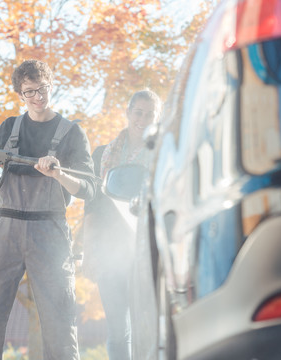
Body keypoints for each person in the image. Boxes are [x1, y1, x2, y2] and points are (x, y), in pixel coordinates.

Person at [0, 59, 96, 360]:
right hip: (6, 230)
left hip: (49, 232)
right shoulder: (9, 128)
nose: (38, 97)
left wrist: (59, 174)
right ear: (20, 94)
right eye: (30, 92)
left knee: (59, 322)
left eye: (43, 89)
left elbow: (89, 189)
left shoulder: (72, 133)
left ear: (51, 85)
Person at [83, 89, 162, 360]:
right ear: (128, 114)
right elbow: (91, 206)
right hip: (108, 251)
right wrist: (88, 250)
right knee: (118, 331)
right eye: (138, 112)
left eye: (150, 114)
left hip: (145, 250)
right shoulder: (103, 155)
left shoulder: (161, 155)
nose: (143, 118)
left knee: (147, 328)